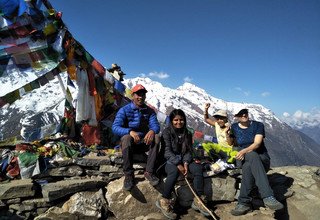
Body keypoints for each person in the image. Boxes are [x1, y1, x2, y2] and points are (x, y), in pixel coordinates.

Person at [227, 109, 284, 216]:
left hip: (262, 159)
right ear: (236, 116)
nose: (244, 115)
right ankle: (267, 197)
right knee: (249, 161)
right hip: (245, 159)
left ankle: (243, 202)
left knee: (250, 160)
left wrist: (243, 151)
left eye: (245, 112)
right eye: (240, 114)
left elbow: (257, 144)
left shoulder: (258, 125)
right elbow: (231, 143)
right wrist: (227, 134)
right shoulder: (234, 127)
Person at [156, 109, 210, 219]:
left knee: (197, 168)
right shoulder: (166, 132)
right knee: (174, 171)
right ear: (171, 121)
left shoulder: (187, 133)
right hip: (168, 161)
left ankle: (199, 199)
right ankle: (164, 199)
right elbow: (167, 152)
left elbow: (189, 151)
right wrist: (178, 164)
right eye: (175, 120)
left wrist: (185, 163)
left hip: (184, 160)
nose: (178, 122)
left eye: (181, 120)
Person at [112, 84, 160, 191]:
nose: (140, 97)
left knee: (156, 137)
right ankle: (129, 175)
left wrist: (152, 130)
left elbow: (156, 125)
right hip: (129, 144)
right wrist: (129, 131)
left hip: (143, 143)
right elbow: (115, 127)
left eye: (143, 94)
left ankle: (149, 172)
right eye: (138, 94)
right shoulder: (124, 110)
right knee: (126, 138)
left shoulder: (149, 111)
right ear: (133, 95)